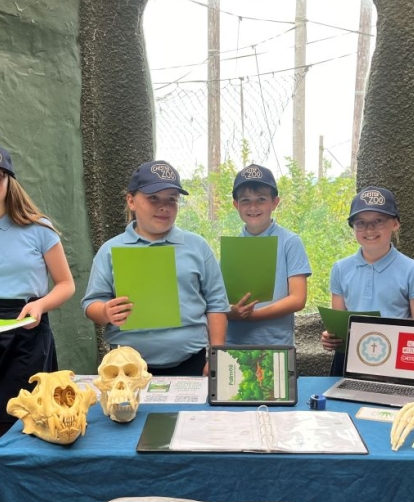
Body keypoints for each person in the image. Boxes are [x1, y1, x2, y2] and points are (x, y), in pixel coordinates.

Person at [82, 160, 229, 375]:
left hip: (192, 363)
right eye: (153, 198)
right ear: (131, 201)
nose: (164, 207)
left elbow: (217, 304)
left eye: (172, 199)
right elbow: (90, 305)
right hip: (126, 367)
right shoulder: (110, 250)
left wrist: (217, 356)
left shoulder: (197, 247)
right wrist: (105, 311)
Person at [0, 145, 75, 434]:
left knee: (26, 420)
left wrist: (41, 305)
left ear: (10, 182)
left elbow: (66, 284)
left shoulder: (39, 229)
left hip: (27, 328)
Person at [321, 186, 414, 375]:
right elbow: (339, 323)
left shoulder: (410, 269)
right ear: (353, 227)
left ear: (395, 223)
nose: (369, 229)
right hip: (350, 359)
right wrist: (330, 338)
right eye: (361, 223)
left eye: (378, 221)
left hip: (396, 362)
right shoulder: (341, 268)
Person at [226, 163, 311, 347]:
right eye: (245, 200)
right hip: (233, 343)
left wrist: (253, 316)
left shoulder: (290, 241)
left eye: (261, 199)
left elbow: (298, 298)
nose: (253, 207)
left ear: (275, 202)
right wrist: (232, 312)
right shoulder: (232, 247)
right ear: (236, 205)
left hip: (275, 344)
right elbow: (220, 299)